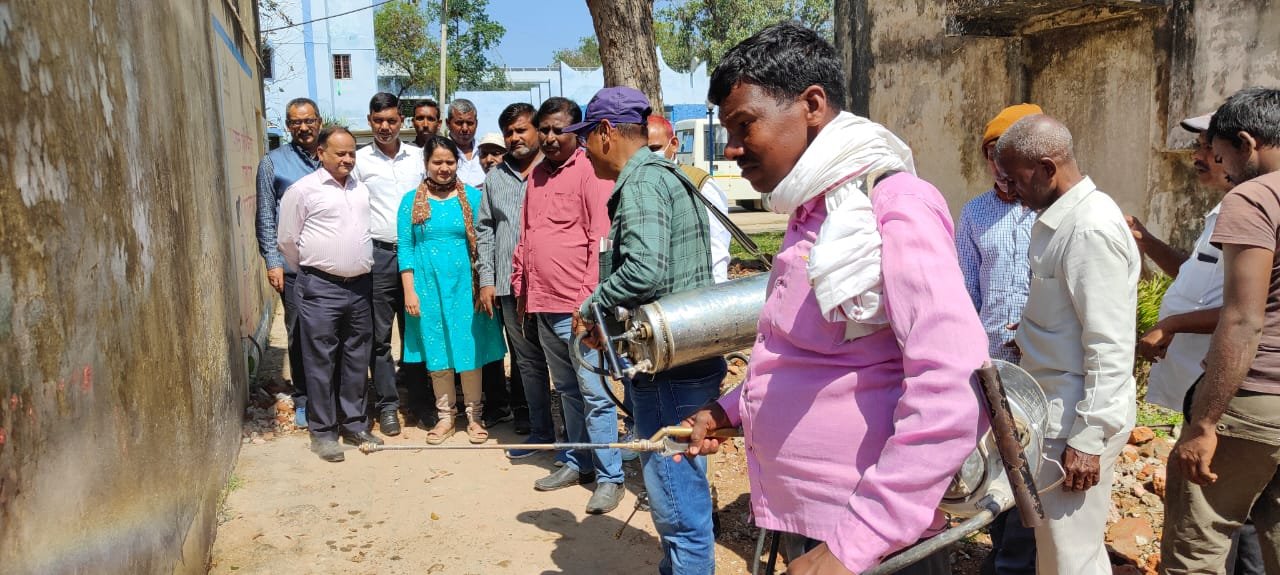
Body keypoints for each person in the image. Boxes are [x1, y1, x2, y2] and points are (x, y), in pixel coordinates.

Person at [683, 23, 986, 575]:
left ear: (812, 105)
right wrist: (728, 411)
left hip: (871, 540)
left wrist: (855, 543)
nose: (730, 147)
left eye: (743, 124)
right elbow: (799, 356)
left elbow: (953, 385)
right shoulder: (809, 210)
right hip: (811, 521)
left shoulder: (892, 205)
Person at [568, 84, 726, 573]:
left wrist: (591, 307)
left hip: (669, 370)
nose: (582, 149)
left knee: (676, 503)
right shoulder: (668, 175)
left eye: (585, 138)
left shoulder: (639, 183)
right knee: (680, 491)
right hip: (686, 354)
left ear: (606, 133)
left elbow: (645, 271)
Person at [994, 114, 1139, 575]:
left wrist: (1090, 437)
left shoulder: (1089, 229)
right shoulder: (1064, 220)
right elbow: (1074, 322)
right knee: (1060, 553)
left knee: (1069, 559)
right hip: (1056, 409)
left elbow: (1110, 344)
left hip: (1076, 420)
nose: (1011, 192)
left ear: (1047, 168)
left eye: (1017, 180)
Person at [1133, 112, 1264, 575]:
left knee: (1203, 537)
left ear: (1242, 147)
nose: (1201, 156)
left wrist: (1171, 324)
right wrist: (1148, 243)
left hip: (1234, 392)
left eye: (1211, 146)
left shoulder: (1252, 207)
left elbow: (1246, 312)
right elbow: (1199, 276)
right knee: (1246, 519)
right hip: (1224, 388)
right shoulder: (1225, 211)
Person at [1163, 86, 1280, 575]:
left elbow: (1242, 318)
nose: (1220, 165)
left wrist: (1206, 423)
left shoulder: (1253, 197)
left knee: (1197, 551)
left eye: (1221, 153)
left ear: (1247, 143)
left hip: (1252, 401)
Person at [507, 96, 623, 513]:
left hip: (580, 310)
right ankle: (578, 462)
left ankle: (611, 476)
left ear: (578, 132)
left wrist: (590, 305)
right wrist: (523, 290)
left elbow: (600, 243)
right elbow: (526, 237)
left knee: (595, 394)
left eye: (561, 129)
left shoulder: (591, 173)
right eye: (546, 129)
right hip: (542, 304)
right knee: (568, 391)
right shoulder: (536, 176)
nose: (552, 137)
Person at [955, 103, 1042, 575]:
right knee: (996, 460)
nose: (1001, 166)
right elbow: (965, 292)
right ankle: (1005, 552)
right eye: (993, 154)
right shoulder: (974, 214)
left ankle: (1015, 560)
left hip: (1041, 364)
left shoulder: (1050, 211)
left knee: (1031, 458)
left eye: (1010, 155)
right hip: (989, 365)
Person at [277, 126, 383, 462]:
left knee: (356, 358)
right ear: (321, 153)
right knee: (319, 360)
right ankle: (322, 433)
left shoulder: (360, 190)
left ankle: (354, 423)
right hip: (320, 288)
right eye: (340, 153)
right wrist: (316, 270)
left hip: (360, 287)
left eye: (352, 153)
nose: (348, 159)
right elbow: (287, 241)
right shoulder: (303, 190)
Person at [398, 136, 506, 445]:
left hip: (464, 288)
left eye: (450, 162)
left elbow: (485, 242)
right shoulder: (410, 201)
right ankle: (445, 416)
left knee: (468, 348)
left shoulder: (472, 198)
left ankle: (474, 416)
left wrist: (485, 283)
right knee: (436, 348)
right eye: (437, 162)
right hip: (427, 288)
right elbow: (406, 248)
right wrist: (409, 291)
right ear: (426, 164)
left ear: (457, 163)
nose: (444, 168)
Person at [351, 92, 423, 438]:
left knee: (417, 331)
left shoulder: (419, 159)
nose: (385, 127)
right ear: (369, 121)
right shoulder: (360, 161)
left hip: (417, 256)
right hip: (378, 256)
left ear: (402, 122)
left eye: (391, 121)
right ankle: (388, 406)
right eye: (378, 121)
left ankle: (422, 403)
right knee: (379, 338)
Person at [476, 103, 543, 439]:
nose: (515, 138)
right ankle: (526, 413)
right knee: (521, 356)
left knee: (555, 353)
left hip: (549, 283)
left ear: (537, 130)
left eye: (521, 130)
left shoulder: (554, 169)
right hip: (506, 283)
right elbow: (485, 231)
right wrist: (486, 280)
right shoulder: (495, 178)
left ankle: (561, 417)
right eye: (509, 133)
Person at [256, 97, 322, 429]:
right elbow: (266, 217)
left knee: (334, 333)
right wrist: (273, 262)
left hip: (331, 267)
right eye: (295, 122)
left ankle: (334, 397)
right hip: (294, 267)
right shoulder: (273, 163)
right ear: (287, 126)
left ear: (319, 121)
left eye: (309, 120)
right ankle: (305, 399)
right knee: (298, 334)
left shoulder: (332, 157)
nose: (303, 127)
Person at [646, 114, 732, 283]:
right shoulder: (642, 183)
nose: (649, 156)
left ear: (674, 144)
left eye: (655, 148)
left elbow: (717, 248)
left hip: (692, 292)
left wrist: (715, 295)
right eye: (643, 151)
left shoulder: (700, 184)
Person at [446, 99, 486, 188]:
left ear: (476, 123)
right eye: (459, 123)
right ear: (448, 123)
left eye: (470, 123)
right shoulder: (438, 152)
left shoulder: (486, 151)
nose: (464, 128)